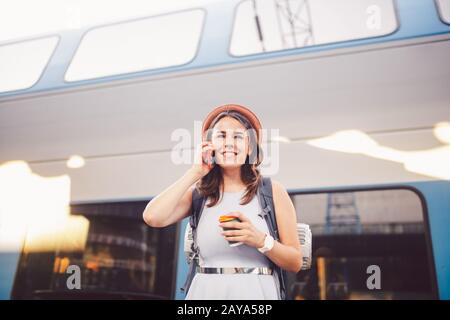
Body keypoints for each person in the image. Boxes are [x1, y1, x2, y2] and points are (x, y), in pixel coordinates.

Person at [143, 104, 302, 299]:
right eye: (221, 136)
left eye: (237, 137)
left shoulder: (272, 191)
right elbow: (152, 217)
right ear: (209, 146)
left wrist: (260, 240)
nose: (229, 143)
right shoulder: (199, 195)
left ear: (250, 147)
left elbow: (295, 262)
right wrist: (195, 172)